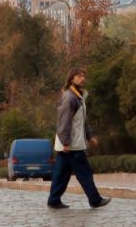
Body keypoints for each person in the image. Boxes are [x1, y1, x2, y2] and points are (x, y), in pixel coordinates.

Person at [47, 67, 111, 210]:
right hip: (71, 145)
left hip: (71, 144)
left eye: (83, 76)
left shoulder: (78, 96)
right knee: (84, 173)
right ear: (71, 78)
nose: (82, 78)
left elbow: (82, 120)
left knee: (61, 175)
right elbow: (64, 122)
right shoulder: (70, 97)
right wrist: (66, 142)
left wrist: (89, 136)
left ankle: (53, 200)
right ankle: (95, 200)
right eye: (79, 76)